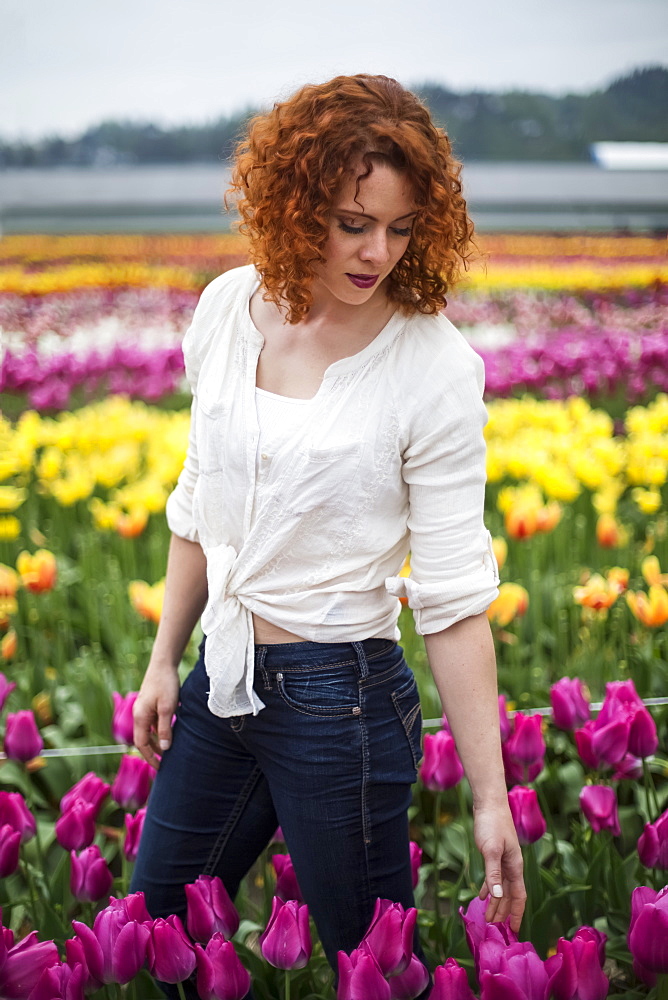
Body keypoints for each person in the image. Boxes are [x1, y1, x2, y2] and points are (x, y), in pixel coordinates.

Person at [131, 73, 526, 998]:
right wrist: (162, 658)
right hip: (222, 683)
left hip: (338, 703)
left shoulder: (431, 365)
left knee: (371, 969)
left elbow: (457, 597)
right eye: (354, 222)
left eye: (399, 226)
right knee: (157, 930)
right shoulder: (228, 310)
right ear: (296, 203)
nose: (378, 251)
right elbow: (201, 501)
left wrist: (488, 796)